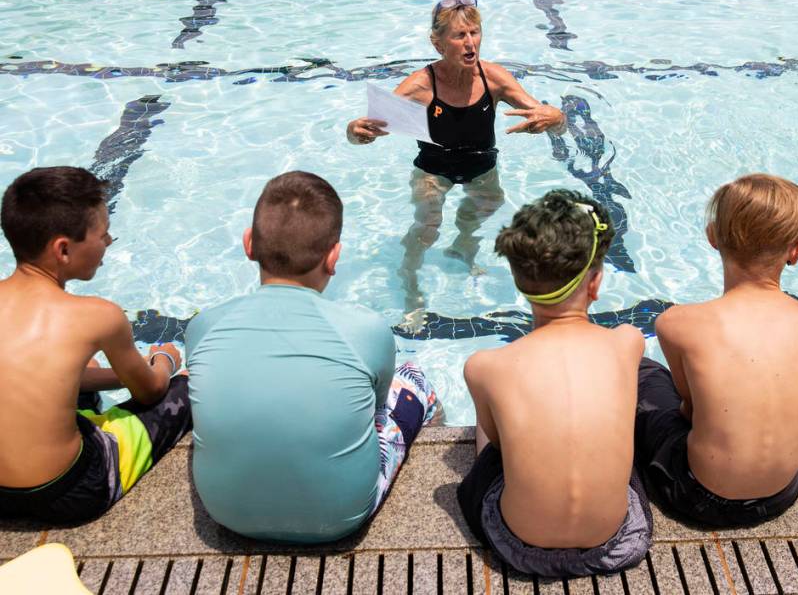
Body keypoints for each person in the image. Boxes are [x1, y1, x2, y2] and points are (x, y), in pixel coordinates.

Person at [186, 172, 441, 543]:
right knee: (414, 378)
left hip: (226, 515)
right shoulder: (365, 329)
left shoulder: (204, 326)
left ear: (248, 244)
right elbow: (376, 409)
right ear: (334, 257)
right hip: (340, 518)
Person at [457, 190, 650, 577]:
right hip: (618, 542)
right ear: (595, 284)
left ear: (517, 279)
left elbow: (495, 443)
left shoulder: (486, 366)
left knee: (495, 427)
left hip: (516, 546)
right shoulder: (627, 343)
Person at [346, 0, 566, 312]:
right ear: (437, 43)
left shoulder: (494, 78)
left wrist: (555, 118)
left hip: (481, 164)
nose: (470, 43)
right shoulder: (419, 85)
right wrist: (354, 132)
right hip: (434, 168)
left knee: (489, 205)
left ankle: (462, 246)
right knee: (428, 225)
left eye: (474, 33)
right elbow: (366, 133)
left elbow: (548, 118)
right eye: (459, 36)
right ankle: (409, 278)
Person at [635, 175, 798, 526]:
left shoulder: (678, 323)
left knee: (643, 371)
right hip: (783, 492)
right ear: (796, 251)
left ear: (712, 236)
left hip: (697, 496)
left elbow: (690, 411)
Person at [0, 167, 190, 524]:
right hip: (71, 492)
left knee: (79, 378)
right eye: (103, 235)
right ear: (64, 249)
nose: (108, 243)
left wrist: (117, 377)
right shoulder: (98, 316)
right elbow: (151, 392)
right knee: (187, 387)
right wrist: (163, 360)